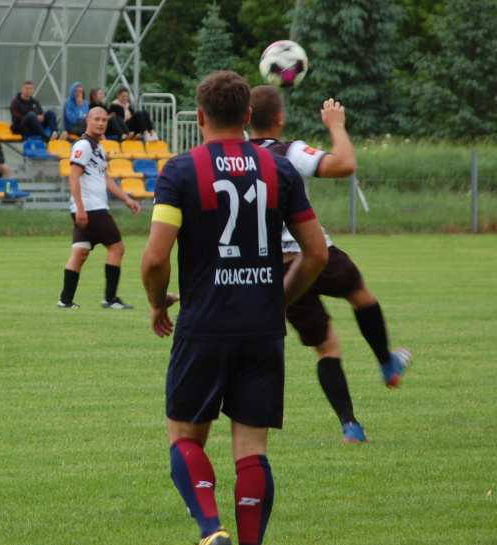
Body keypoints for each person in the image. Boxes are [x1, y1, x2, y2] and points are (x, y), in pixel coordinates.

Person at [141, 70, 327, 545]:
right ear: (247, 117)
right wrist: (279, 297)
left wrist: (157, 302)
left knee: (184, 435)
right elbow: (317, 253)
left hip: (204, 323)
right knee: (251, 448)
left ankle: (211, 530)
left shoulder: (180, 171)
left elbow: (155, 257)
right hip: (261, 327)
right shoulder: (279, 170)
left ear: (200, 116)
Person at [248, 85, 412, 443]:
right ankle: (386, 362)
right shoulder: (288, 150)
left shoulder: (239, 158)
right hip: (313, 252)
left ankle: (349, 425)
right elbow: (345, 164)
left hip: (275, 266)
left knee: (326, 347)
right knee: (361, 296)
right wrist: (336, 125)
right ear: (280, 118)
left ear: (246, 119)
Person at [57, 106, 140, 310]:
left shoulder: (98, 148)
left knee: (80, 251)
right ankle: (110, 299)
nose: (101, 123)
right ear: (88, 120)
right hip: (91, 208)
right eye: (97, 119)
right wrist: (81, 208)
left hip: (88, 208)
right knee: (117, 248)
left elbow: (106, 179)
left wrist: (126, 199)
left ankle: (65, 301)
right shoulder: (84, 145)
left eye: (104, 120)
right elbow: (73, 176)